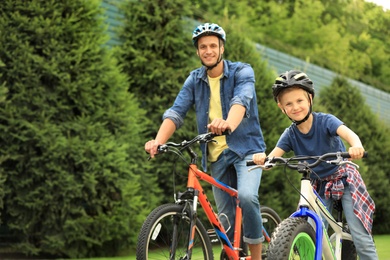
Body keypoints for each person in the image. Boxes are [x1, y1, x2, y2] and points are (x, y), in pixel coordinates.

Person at [145, 23, 266, 259]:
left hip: (247, 150)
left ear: (222, 48)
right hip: (216, 155)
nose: (208, 50)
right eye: (203, 47)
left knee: (247, 196)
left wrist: (228, 123)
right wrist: (158, 141)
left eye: (213, 45)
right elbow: (176, 112)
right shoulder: (194, 79)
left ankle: (258, 256)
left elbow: (241, 100)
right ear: (197, 51)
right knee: (226, 220)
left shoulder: (243, 71)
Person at [252, 70, 378, 259]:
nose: (295, 107)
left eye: (299, 101)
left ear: (310, 98)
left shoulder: (325, 121)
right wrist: (262, 159)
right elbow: (271, 160)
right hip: (318, 184)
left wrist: (356, 146)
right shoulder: (290, 134)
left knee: (359, 235)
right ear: (281, 107)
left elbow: (350, 134)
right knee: (311, 233)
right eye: (289, 103)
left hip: (343, 177)